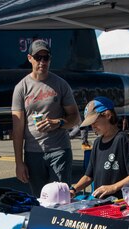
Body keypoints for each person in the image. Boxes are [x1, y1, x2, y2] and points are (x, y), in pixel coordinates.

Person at [12, 39, 80, 196]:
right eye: (38, 57)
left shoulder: (61, 85)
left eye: (46, 58)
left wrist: (57, 122)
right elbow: (17, 129)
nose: (42, 62)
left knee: (60, 198)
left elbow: (75, 117)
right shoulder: (21, 88)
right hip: (33, 153)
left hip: (59, 151)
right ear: (30, 58)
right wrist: (19, 162)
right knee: (40, 199)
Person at [70, 97, 129, 199]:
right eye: (90, 124)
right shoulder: (97, 143)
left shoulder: (123, 140)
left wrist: (113, 187)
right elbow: (88, 176)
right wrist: (74, 190)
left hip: (120, 203)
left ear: (108, 115)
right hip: (100, 203)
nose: (92, 127)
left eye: (94, 122)